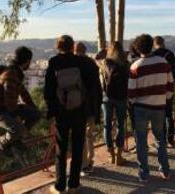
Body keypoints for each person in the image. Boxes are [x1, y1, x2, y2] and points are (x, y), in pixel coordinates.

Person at [45, 35, 94, 194]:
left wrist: (52, 111)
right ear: (72, 46)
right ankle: (74, 184)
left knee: (61, 148)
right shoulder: (80, 62)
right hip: (79, 110)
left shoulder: (54, 62)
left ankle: (60, 186)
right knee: (78, 146)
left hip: (61, 112)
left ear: (58, 46)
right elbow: (89, 86)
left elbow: (49, 90)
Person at [128, 34, 173, 182]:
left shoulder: (135, 66)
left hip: (141, 108)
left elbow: (132, 93)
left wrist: (136, 101)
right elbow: (170, 85)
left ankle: (144, 173)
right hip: (159, 106)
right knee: (160, 139)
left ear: (137, 48)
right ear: (151, 45)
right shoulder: (164, 62)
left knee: (141, 141)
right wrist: (164, 98)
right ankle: (165, 170)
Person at [0, 46, 41, 154]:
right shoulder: (11, 75)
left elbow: (24, 94)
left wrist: (34, 109)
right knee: (17, 129)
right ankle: (3, 141)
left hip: (5, 108)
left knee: (35, 115)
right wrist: (18, 121)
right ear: (27, 61)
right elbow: (9, 102)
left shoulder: (15, 73)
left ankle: (15, 139)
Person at [99, 42, 130, 165]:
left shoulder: (105, 63)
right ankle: (119, 156)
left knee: (107, 126)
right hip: (122, 98)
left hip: (107, 98)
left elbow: (101, 79)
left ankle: (110, 154)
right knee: (120, 125)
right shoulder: (126, 64)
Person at [74, 42, 103, 175]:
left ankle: (83, 164)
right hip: (90, 105)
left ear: (74, 50)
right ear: (85, 50)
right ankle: (90, 161)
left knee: (79, 135)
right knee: (89, 134)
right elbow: (98, 87)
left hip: (76, 105)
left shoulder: (71, 63)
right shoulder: (91, 64)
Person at [153, 36, 175, 147]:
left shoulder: (153, 55)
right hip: (168, 88)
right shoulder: (170, 54)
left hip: (157, 89)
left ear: (155, 44)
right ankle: (171, 139)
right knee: (169, 114)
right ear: (163, 43)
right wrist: (173, 82)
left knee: (159, 115)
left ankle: (161, 139)